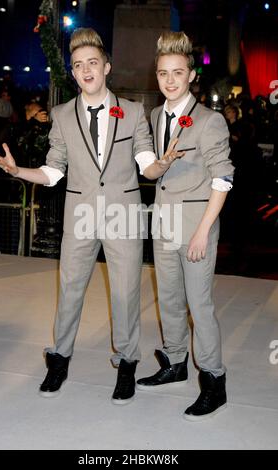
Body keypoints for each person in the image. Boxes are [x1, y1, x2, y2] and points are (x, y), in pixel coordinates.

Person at [0, 28, 180, 405]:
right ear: (73, 74)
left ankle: (127, 363)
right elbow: (54, 171)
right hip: (79, 216)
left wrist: (163, 163)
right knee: (70, 291)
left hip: (123, 215)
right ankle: (59, 359)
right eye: (78, 65)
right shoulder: (61, 115)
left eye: (92, 62)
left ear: (106, 67)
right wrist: (18, 172)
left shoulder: (132, 111)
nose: (85, 70)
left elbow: (146, 166)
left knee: (125, 293)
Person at [135, 31, 235, 421]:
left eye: (178, 72)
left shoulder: (210, 122)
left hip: (196, 227)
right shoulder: (156, 116)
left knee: (200, 305)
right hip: (164, 224)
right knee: (170, 301)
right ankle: (175, 363)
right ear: (156, 76)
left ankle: (214, 380)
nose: (170, 80)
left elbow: (222, 179)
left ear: (192, 75)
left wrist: (202, 232)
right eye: (163, 73)